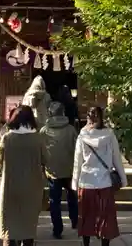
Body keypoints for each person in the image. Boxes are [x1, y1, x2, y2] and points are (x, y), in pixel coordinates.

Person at [72, 106, 127, 246]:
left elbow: (77, 161)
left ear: (88, 117)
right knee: (105, 218)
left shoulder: (82, 135)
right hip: (104, 182)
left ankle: (86, 244)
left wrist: (74, 182)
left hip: (86, 181)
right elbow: (116, 158)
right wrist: (123, 178)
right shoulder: (109, 134)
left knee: (86, 217)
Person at [0, 105, 46, 246]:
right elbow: (46, 159)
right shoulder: (37, 139)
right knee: (28, 226)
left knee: (10, 226)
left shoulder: (7, 139)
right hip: (32, 188)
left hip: (10, 187)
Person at [40, 102, 79, 239]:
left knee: (54, 201)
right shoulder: (70, 130)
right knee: (72, 197)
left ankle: (57, 229)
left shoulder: (44, 130)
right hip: (69, 169)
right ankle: (75, 221)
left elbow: (41, 151)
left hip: (52, 170)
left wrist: (43, 165)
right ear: (63, 113)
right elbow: (77, 150)